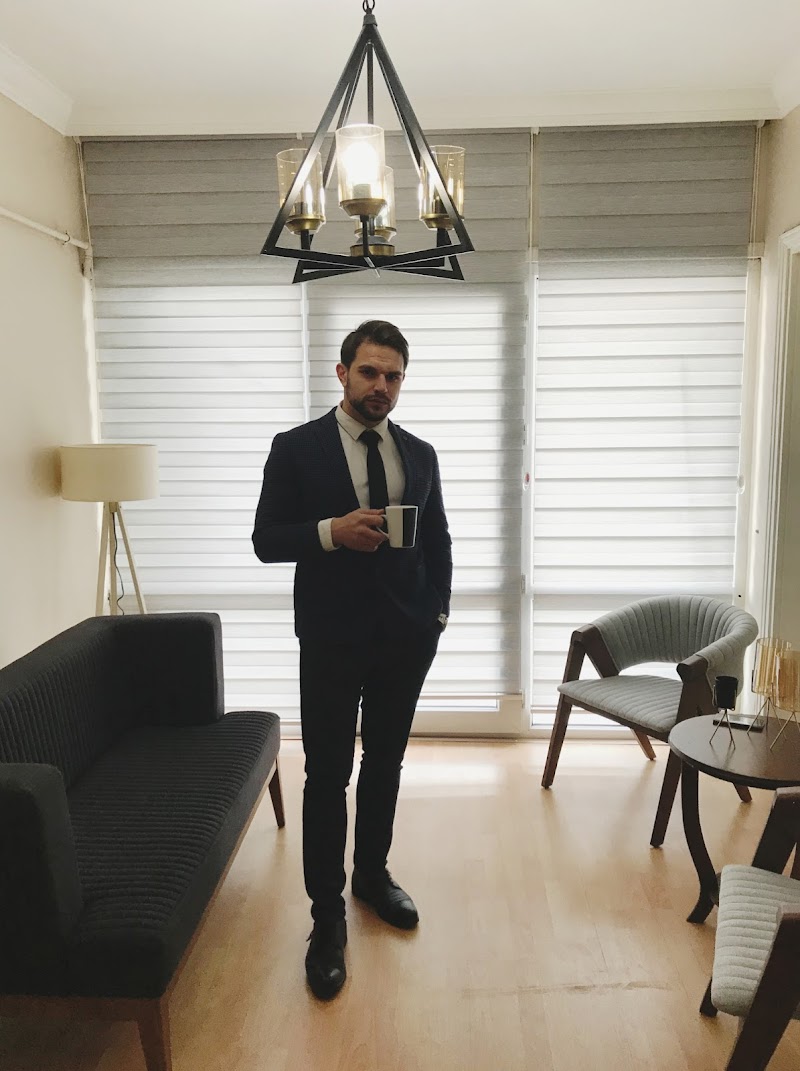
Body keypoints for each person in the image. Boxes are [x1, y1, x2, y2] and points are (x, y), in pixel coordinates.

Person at [252, 319, 452, 1000]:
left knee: (386, 762)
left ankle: (371, 875)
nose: (381, 386)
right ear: (342, 373)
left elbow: (438, 539)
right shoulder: (296, 447)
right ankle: (326, 916)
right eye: (369, 371)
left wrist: (438, 614)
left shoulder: (419, 453)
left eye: (393, 375)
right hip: (332, 638)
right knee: (327, 775)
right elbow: (265, 539)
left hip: (406, 639)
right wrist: (330, 532)